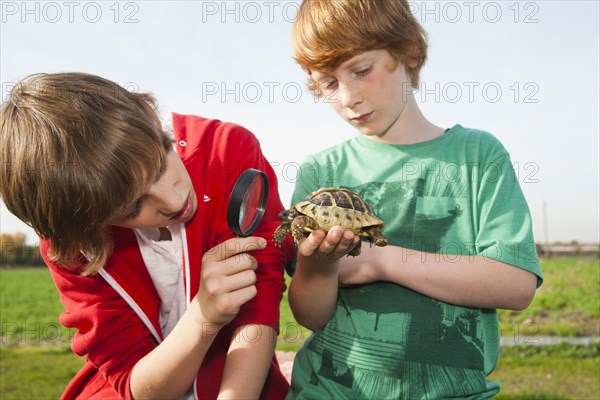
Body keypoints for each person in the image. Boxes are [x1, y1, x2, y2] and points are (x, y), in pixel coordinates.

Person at [285, 1, 543, 398]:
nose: (348, 97)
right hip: (329, 390)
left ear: (408, 52)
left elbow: (515, 283)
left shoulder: (478, 155)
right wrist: (320, 266)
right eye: (329, 83)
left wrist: (382, 261)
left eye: (361, 70)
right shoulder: (320, 171)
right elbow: (310, 315)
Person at [0, 72, 295, 399]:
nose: (173, 200)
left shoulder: (226, 151)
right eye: (133, 207)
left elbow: (262, 291)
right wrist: (203, 317)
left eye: (160, 165)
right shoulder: (72, 247)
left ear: (150, 115)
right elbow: (136, 384)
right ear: (93, 226)